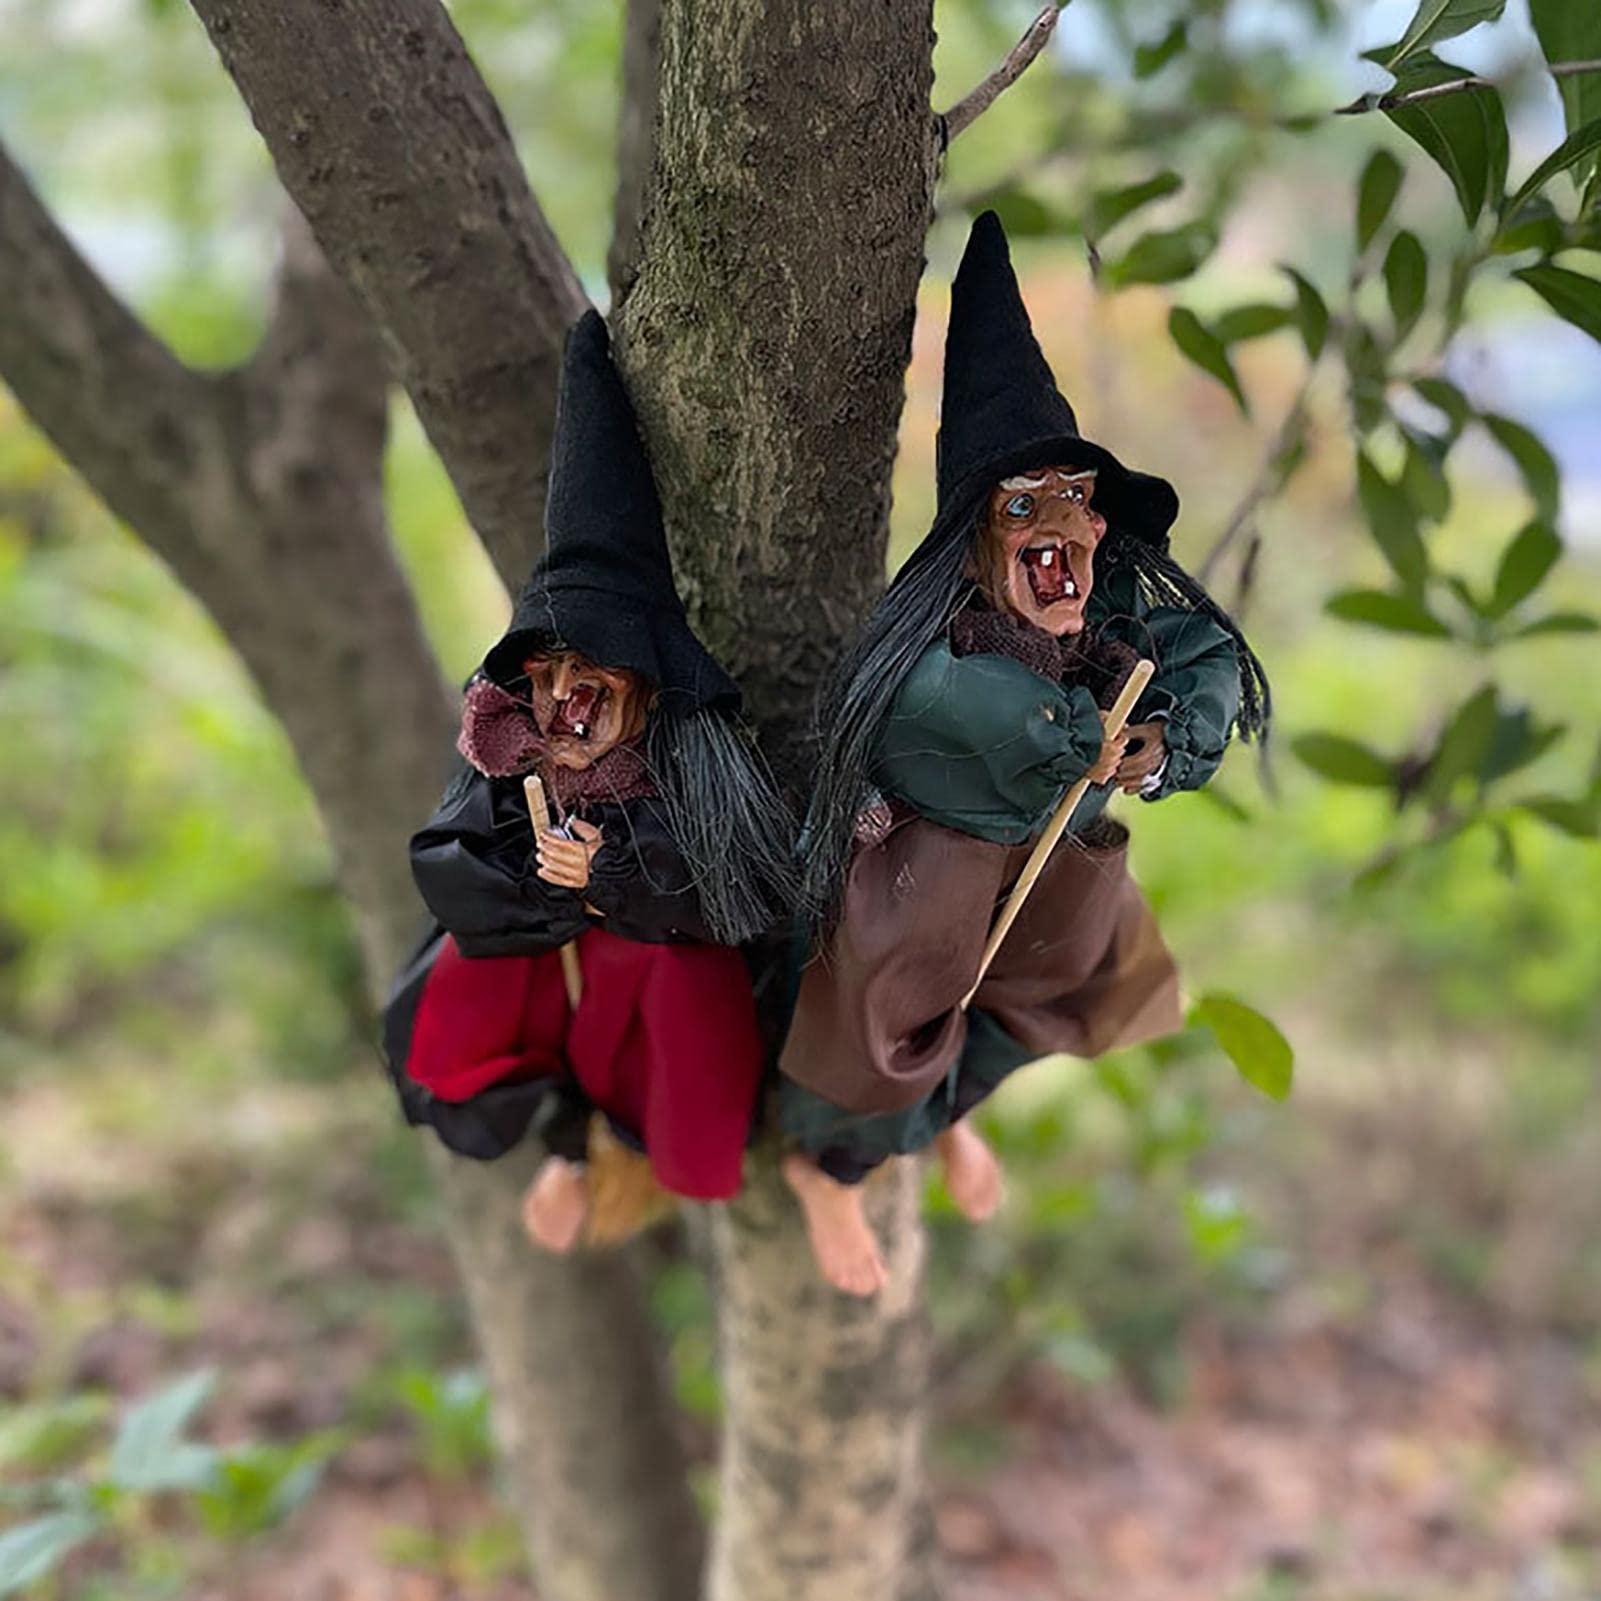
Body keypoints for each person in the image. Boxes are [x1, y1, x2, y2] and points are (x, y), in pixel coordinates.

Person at [776, 212, 1270, 1295]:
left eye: (1077, 501)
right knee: (887, 1028)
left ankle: (947, 1118)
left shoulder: (1096, 617)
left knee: (1065, 986)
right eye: (1025, 507)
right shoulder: (937, 645)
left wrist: (1156, 740)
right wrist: (1064, 733)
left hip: (1047, 853)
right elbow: (953, 710)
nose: (1064, 526)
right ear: (978, 536)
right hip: (933, 868)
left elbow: (1205, 655)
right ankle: (833, 1168)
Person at [383, 310, 797, 1249]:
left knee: (674, 1021)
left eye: (591, 670)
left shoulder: (688, 768)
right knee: (477, 995)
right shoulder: (510, 754)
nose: (564, 695)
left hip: (653, 964)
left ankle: (632, 1151)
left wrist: (612, 876)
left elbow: (748, 891)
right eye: (546, 672)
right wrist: (528, 881)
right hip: (554, 966)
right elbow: (448, 863)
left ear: (643, 680)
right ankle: (567, 1145)